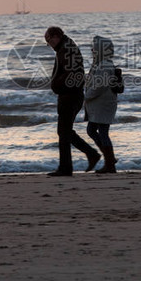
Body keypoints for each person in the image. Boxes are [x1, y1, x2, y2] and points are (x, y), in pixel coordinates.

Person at [44, 26, 101, 176]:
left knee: (63, 132)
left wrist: (57, 85)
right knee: (64, 131)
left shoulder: (67, 49)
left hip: (70, 95)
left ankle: (66, 167)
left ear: (55, 36)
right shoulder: (65, 47)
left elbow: (74, 73)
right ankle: (89, 154)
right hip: (70, 94)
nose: (48, 44)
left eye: (48, 40)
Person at [84, 36, 119, 173]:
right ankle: (110, 160)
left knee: (102, 132)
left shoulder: (104, 65)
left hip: (103, 104)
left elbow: (99, 86)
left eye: (94, 48)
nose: (92, 50)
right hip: (99, 104)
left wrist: (86, 96)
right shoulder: (100, 63)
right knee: (92, 130)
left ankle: (110, 163)